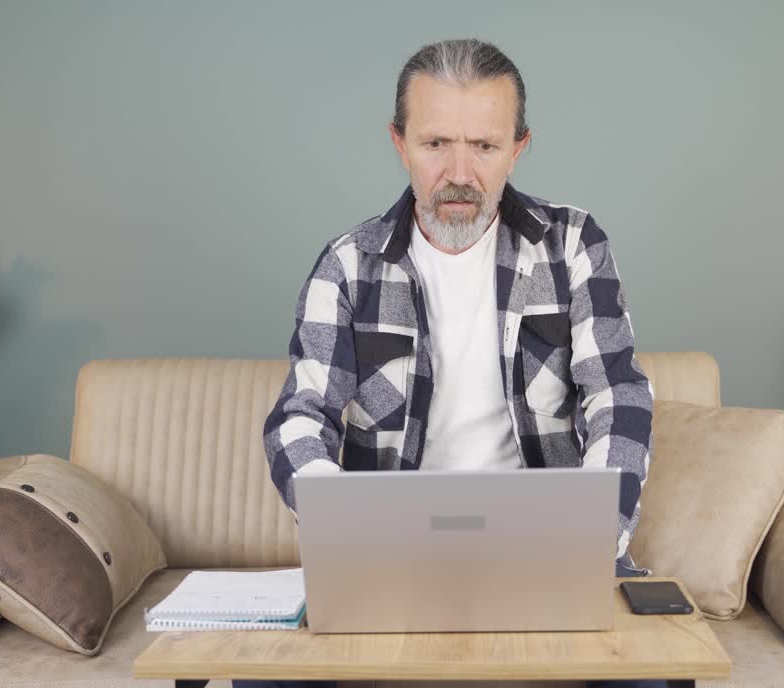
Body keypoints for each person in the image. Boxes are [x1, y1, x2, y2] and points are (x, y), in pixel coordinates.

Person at [254, 38, 662, 688]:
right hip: (387, 562)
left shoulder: (576, 246)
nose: (461, 174)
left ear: (519, 148)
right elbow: (300, 417)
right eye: (436, 143)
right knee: (260, 676)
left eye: (485, 146)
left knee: (647, 679)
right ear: (400, 142)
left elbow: (620, 400)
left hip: (549, 554)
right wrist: (340, 527)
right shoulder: (348, 265)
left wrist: (592, 543)